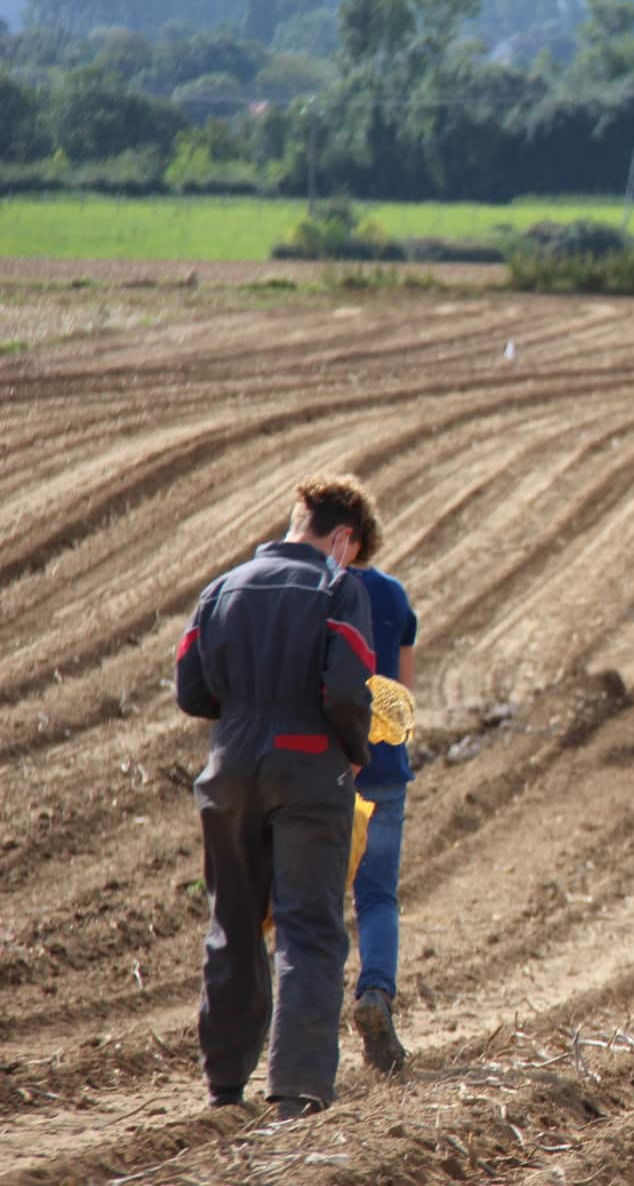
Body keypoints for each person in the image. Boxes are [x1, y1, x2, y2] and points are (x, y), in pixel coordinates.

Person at [175, 474, 380, 1121]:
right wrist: (356, 750)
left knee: (232, 924)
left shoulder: (220, 589)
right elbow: (347, 689)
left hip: (229, 772)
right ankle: (298, 1086)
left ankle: (225, 1086)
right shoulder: (337, 588)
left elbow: (190, 690)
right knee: (308, 928)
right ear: (342, 538)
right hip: (311, 772)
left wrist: (243, 720)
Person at [346, 545, 418, 1074]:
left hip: (326, 770)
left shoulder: (321, 592)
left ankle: (303, 1036)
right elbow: (402, 695)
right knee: (377, 897)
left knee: (316, 902)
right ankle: (376, 992)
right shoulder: (393, 595)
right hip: (384, 771)